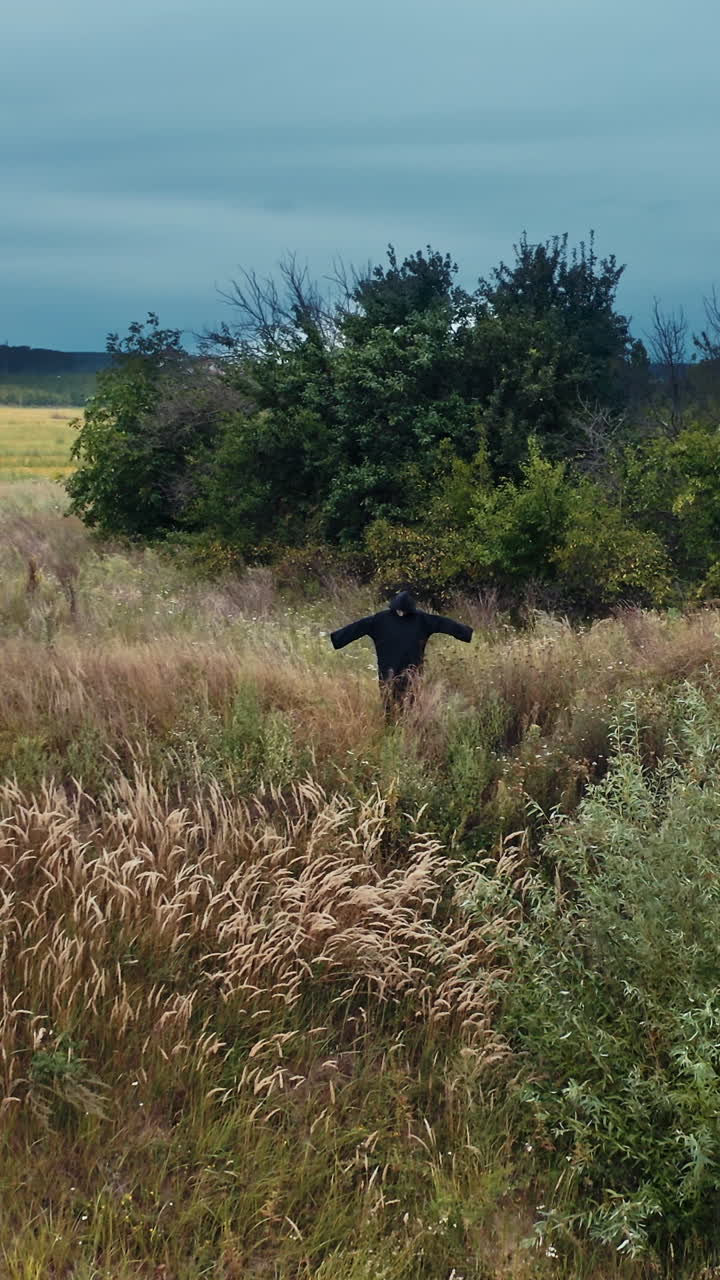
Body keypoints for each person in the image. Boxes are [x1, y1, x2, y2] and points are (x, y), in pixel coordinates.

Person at [330, 589, 473, 715]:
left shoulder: (421, 620)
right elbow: (356, 628)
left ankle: (406, 731)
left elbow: (444, 624)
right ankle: (393, 732)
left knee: (410, 706)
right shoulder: (380, 620)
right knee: (390, 706)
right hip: (390, 671)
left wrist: (465, 633)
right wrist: (338, 639)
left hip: (411, 671)